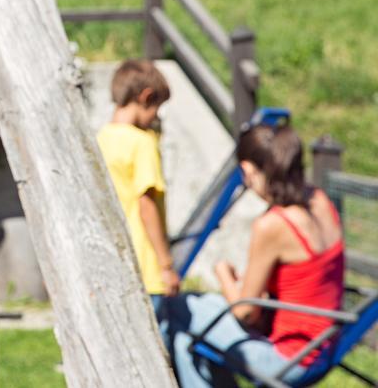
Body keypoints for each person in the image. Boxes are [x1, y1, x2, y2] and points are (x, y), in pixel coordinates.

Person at [160, 122, 345, 387]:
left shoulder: (273, 225)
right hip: (326, 344)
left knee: (178, 311)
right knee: (191, 325)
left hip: (290, 359)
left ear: (247, 170)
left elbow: (246, 313)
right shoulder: (319, 201)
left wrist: (223, 274)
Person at [97, 59, 176, 311]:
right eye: (157, 108)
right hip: (147, 270)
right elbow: (146, 205)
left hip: (114, 266)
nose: (156, 117)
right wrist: (166, 265)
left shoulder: (99, 139)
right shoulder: (141, 143)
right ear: (146, 96)